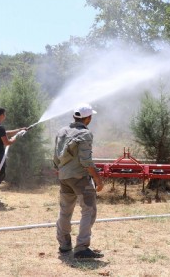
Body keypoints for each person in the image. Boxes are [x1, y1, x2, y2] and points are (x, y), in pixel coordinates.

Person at [54, 103, 105, 259]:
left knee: (65, 210)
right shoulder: (85, 134)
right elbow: (86, 161)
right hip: (80, 178)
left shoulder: (62, 131)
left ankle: (64, 245)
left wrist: (62, 170)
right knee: (89, 211)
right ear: (88, 118)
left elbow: (55, 157)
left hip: (64, 177)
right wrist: (98, 179)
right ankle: (81, 248)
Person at [0, 107, 26, 208]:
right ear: (1, 115)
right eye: (4, 114)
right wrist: (16, 138)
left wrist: (19, 130)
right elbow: (7, 142)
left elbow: (4, 133)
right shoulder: (0, 127)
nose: (5, 116)